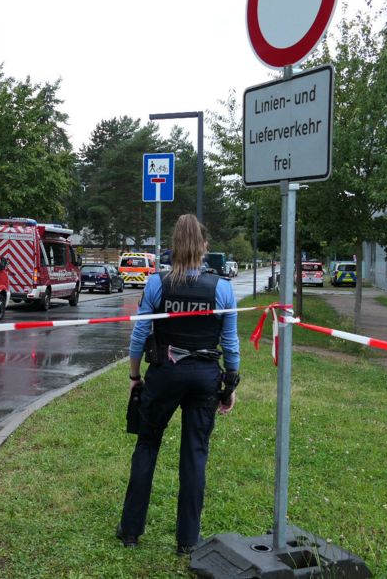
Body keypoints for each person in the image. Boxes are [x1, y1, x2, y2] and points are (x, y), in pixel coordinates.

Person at [117, 214, 240, 556]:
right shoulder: (223, 288)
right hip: (204, 378)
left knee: (147, 445)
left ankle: (130, 531)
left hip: (164, 375)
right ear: (204, 247)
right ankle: (188, 541)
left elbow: (140, 335)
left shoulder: (157, 284)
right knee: (194, 455)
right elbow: (230, 343)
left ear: (173, 247)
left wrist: (134, 376)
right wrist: (230, 385)